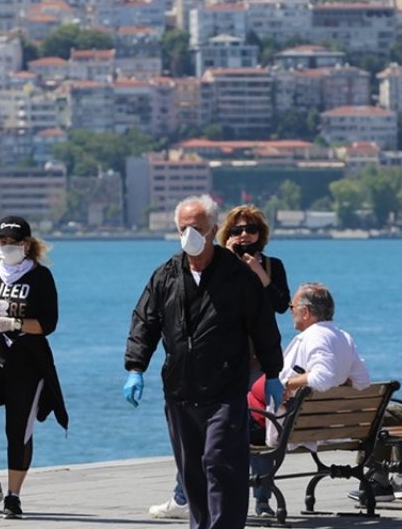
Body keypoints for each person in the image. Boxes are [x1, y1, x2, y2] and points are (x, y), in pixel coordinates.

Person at [124, 194, 283, 529]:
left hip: (225, 390)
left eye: (195, 228)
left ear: (212, 230)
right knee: (191, 470)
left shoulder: (238, 277)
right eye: (183, 228)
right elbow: (145, 322)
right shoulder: (166, 275)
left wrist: (272, 373)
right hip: (180, 391)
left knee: (220, 462)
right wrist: (135, 368)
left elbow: (264, 325)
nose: (188, 235)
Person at [0, 216, 68, 518]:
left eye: (14, 243)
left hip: (26, 363)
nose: (7, 247)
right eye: (2, 242)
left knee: (18, 430)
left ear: (27, 245)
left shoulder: (40, 277)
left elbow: (48, 324)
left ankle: (13, 495)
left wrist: (14, 323)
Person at [247, 282, 369, 518]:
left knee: (224, 424)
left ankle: (234, 500)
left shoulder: (314, 338)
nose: (290, 310)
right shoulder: (343, 337)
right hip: (314, 423)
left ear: (306, 312)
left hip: (287, 427)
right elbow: (363, 381)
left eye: (293, 306)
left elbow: (322, 378)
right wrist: (341, 382)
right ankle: (259, 501)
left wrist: (287, 384)